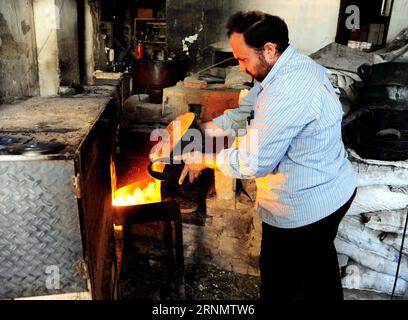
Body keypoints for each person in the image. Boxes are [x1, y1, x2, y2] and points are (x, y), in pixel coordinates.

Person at [157, 10, 358, 300]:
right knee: (317, 273)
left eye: (242, 58)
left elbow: (252, 162)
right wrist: (200, 130)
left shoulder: (288, 89)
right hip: (326, 189)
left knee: (284, 282)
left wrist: (204, 159)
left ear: (269, 49)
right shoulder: (282, 68)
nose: (240, 67)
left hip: (308, 205)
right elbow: (244, 113)